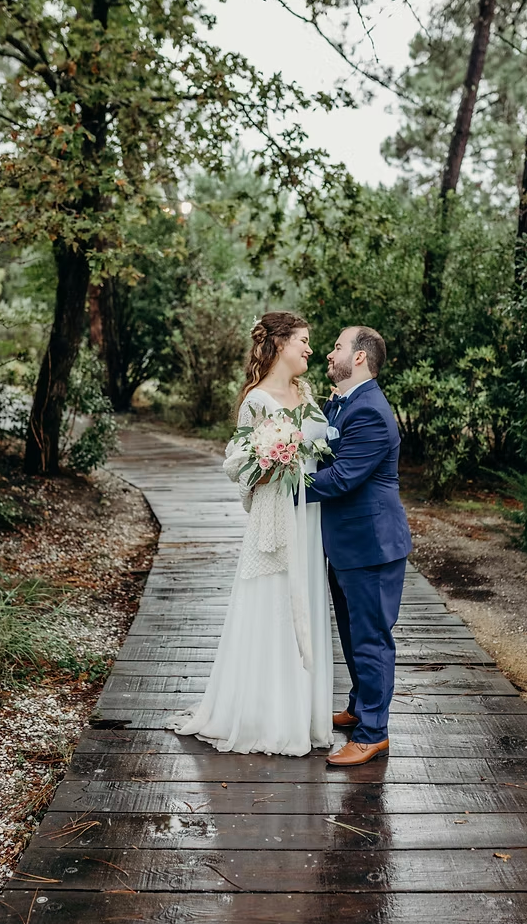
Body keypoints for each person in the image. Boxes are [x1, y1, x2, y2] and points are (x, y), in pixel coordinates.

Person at [166, 312, 333, 756]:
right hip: (277, 516)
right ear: (279, 344)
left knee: (307, 600)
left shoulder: (307, 392)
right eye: (303, 341)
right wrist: (269, 459)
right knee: (272, 603)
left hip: (310, 518)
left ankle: (305, 712)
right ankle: (267, 716)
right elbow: (237, 466)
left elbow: (322, 447)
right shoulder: (256, 401)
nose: (309, 349)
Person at [306, 326, 413, 767]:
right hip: (349, 544)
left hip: (372, 545)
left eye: (336, 347)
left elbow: (344, 476)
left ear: (361, 358)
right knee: (352, 635)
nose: (329, 354)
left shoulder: (369, 411)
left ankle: (373, 733)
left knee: (371, 640)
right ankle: (358, 707)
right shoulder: (343, 403)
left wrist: (284, 484)